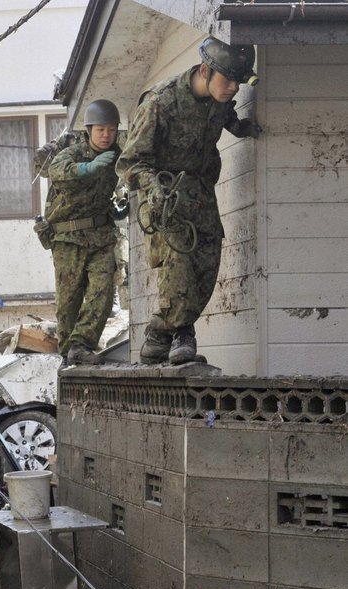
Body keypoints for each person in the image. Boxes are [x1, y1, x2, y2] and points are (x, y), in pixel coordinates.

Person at [116, 36, 261, 365]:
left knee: (208, 268)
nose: (234, 89)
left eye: (239, 82)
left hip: (201, 195)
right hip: (166, 198)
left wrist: (240, 127)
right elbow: (129, 163)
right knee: (180, 269)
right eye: (229, 80)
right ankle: (183, 333)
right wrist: (153, 187)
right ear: (206, 70)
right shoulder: (161, 102)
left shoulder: (221, 98)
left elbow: (224, 118)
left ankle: (158, 335)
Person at [40, 99, 124, 365]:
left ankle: (81, 343)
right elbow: (57, 171)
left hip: (100, 237)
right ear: (89, 130)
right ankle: (68, 353)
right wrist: (88, 168)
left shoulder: (117, 156)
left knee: (103, 292)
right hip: (67, 238)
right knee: (69, 301)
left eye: (111, 129)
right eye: (100, 129)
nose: (106, 135)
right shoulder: (73, 153)